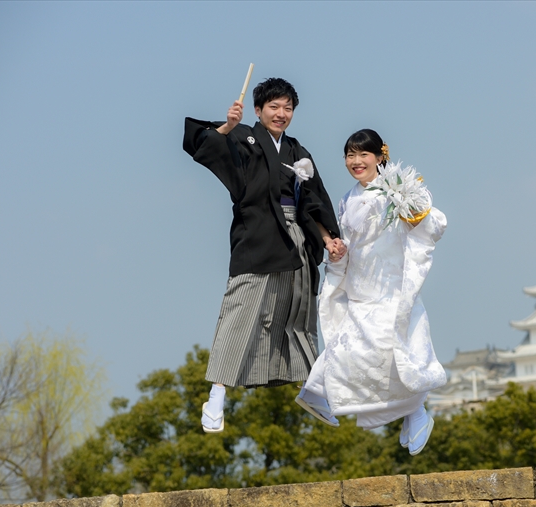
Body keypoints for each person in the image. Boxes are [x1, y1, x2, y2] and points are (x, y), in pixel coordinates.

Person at [183, 78, 346, 433]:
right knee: (241, 311)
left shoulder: (297, 149)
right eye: (274, 107)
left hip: (296, 236)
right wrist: (226, 126)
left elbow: (314, 197)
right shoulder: (242, 136)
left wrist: (329, 237)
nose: (281, 113)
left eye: (288, 108)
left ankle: (313, 390)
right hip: (258, 234)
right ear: (258, 110)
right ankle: (216, 395)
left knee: (297, 315)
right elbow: (203, 145)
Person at [295, 129, 447, 455]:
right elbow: (352, 244)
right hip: (360, 289)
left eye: (363, 154)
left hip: (391, 290)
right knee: (347, 349)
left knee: (395, 357)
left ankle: (415, 412)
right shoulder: (347, 199)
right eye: (350, 155)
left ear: (380, 156)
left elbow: (434, 223)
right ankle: (317, 394)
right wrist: (337, 253)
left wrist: (415, 210)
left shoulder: (397, 187)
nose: (356, 161)